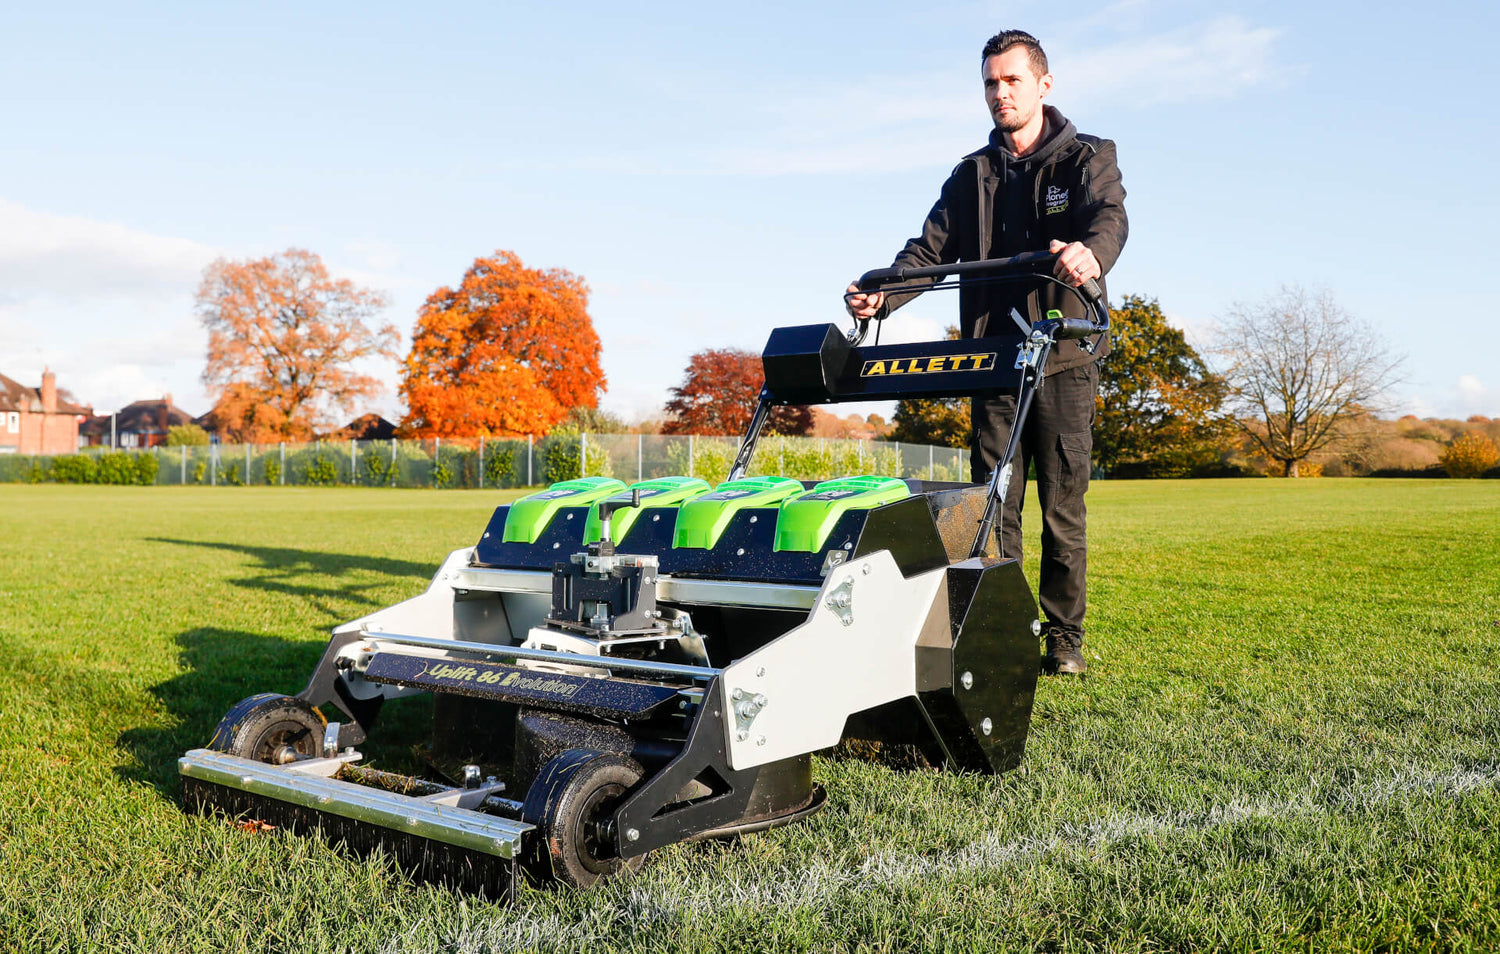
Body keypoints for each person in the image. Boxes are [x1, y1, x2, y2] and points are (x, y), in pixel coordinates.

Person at [844, 29, 1127, 676]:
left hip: (1064, 359)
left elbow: (1109, 217)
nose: (1001, 93)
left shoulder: (1087, 156)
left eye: (1012, 81)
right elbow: (928, 252)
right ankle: (1003, 631)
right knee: (993, 506)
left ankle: (1063, 640)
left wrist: (1090, 254)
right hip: (994, 362)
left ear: (1043, 85)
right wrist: (881, 295)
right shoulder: (970, 175)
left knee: (1062, 509)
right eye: (990, 84)